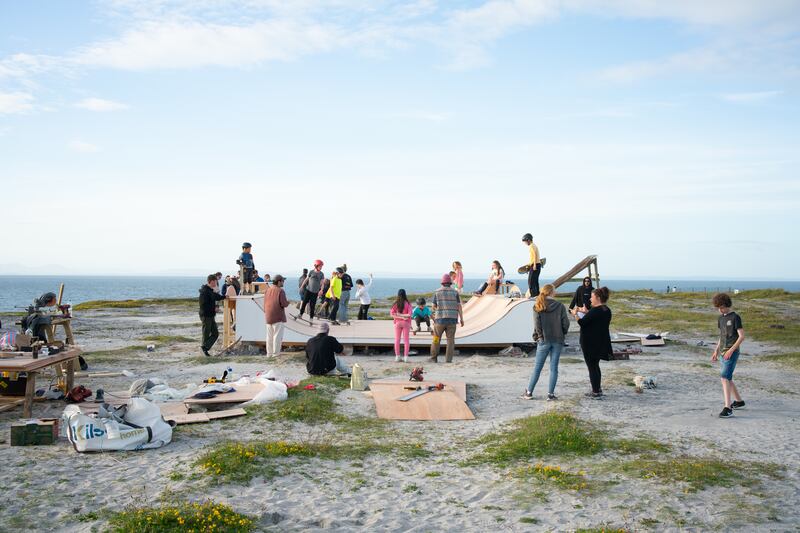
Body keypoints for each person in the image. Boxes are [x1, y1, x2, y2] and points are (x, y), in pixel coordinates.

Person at [521, 284, 570, 401]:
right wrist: (562, 333)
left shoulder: (538, 305)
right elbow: (566, 324)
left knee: (537, 368)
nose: (556, 292)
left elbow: (537, 325)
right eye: (555, 290)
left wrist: (540, 337)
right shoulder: (560, 306)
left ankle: (529, 393)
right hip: (558, 340)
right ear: (551, 292)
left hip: (544, 340)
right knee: (554, 368)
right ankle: (550, 394)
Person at [572, 287, 612, 398]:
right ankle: (598, 389)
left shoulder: (595, 311)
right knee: (595, 366)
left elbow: (583, 323)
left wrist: (575, 314)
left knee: (592, 367)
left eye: (592, 297)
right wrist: (586, 312)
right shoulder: (606, 310)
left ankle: (595, 391)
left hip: (590, 343)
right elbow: (595, 319)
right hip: (600, 341)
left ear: (598, 298)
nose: (590, 299)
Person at [711, 293, 746, 418]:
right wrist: (716, 350)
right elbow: (722, 336)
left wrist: (731, 350)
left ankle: (728, 407)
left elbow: (742, 336)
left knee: (724, 377)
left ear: (727, 305)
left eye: (721, 307)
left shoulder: (735, 317)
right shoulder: (721, 318)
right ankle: (739, 401)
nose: (720, 310)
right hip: (722, 352)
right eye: (718, 308)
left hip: (732, 352)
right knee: (728, 378)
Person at [430, 273, 465, 363]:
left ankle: (434, 358)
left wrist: (438, 308)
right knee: (450, 340)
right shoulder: (455, 292)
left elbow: (433, 306)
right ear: (450, 283)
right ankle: (448, 360)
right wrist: (461, 319)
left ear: (442, 283)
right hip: (452, 320)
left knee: (436, 338)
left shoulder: (437, 292)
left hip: (440, 320)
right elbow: (459, 307)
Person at [199, 274, 226, 357]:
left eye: (216, 281)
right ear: (209, 282)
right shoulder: (205, 290)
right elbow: (213, 297)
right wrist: (224, 297)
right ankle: (204, 349)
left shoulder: (210, 290)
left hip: (211, 315)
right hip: (206, 315)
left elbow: (215, 297)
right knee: (206, 333)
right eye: (214, 282)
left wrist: (223, 297)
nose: (215, 283)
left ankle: (204, 348)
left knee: (215, 333)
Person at [264, 275, 289, 358]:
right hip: (278, 316)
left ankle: (269, 354)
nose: (283, 282)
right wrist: (288, 302)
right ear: (279, 282)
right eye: (282, 281)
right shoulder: (280, 291)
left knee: (269, 337)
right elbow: (284, 304)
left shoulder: (267, 290)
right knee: (277, 337)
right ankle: (276, 354)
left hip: (268, 316)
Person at [391, 289, 413, 362]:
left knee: (397, 340)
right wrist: (403, 316)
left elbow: (392, 314)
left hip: (397, 323)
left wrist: (399, 315)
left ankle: (397, 356)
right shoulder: (408, 304)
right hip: (406, 323)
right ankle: (406, 357)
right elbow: (409, 314)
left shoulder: (395, 304)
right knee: (406, 340)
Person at [522, 233, 542, 297]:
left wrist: (534, 265)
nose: (525, 243)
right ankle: (537, 295)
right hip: (537, 264)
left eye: (525, 242)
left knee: (530, 281)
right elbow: (533, 257)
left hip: (535, 265)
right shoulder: (534, 245)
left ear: (528, 240)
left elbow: (535, 255)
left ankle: (533, 295)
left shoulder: (531, 246)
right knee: (535, 281)